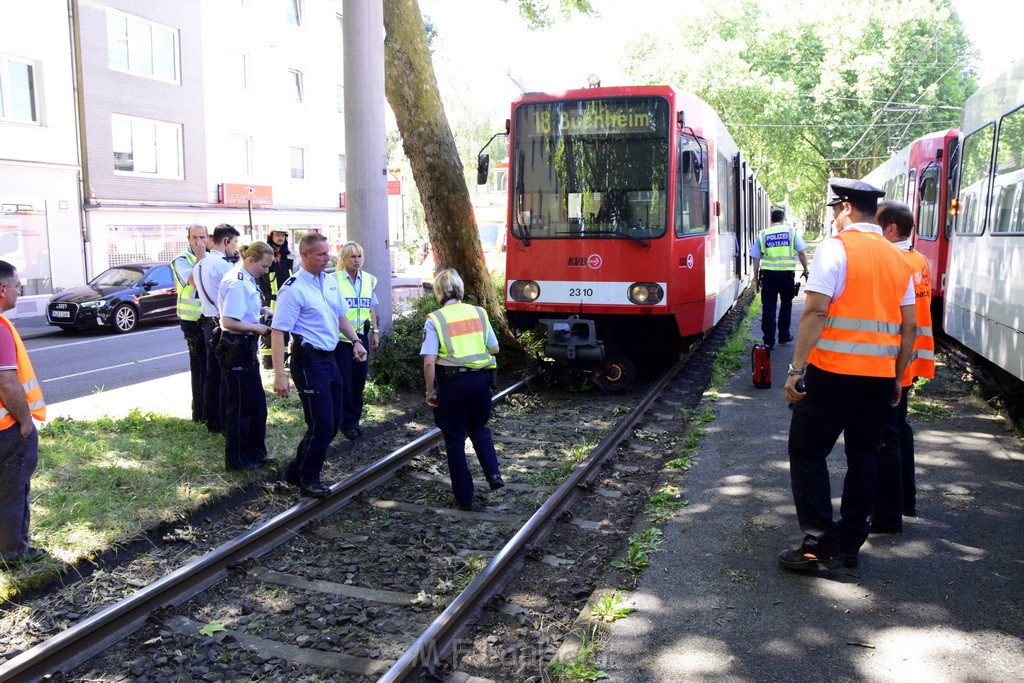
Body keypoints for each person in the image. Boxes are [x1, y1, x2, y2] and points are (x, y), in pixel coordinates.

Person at [779, 178, 916, 571]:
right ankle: (851, 544)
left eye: (836, 211)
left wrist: (796, 370)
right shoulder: (897, 258)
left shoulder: (835, 249)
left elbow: (817, 311)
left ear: (847, 209)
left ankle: (819, 543)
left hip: (833, 373)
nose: (836, 219)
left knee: (806, 451)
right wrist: (896, 376)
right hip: (878, 377)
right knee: (865, 457)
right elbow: (908, 327)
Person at [270, 233, 367, 498]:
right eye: (322, 254)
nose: (328, 258)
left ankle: (296, 470)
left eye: (328, 253)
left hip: (331, 357)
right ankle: (308, 478)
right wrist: (280, 375)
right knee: (322, 423)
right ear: (305, 255)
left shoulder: (329, 282)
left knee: (334, 422)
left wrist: (357, 341)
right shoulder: (293, 288)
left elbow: (340, 315)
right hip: (308, 362)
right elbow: (278, 333)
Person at [870, 200, 935, 531]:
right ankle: (905, 501)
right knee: (900, 432)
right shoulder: (919, 259)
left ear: (891, 229)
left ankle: (888, 514)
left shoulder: (896, 261)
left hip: (897, 361)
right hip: (912, 359)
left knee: (887, 437)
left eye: (877, 225)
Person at [420, 269, 504, 511]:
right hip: (480, 383)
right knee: (479, 428)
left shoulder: (435, 319)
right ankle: (494, 475)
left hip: (452, 385)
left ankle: (465, 499)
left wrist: (429, 392)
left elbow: (429, 361)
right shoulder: (479, 312)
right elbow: (495, 347)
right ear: (460, 289)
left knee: (455, 440)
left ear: (438, 291)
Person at [0, 261, 47, 565]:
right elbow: (7, 382)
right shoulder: (1, 329)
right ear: (2, 289)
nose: (20, 289)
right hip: (7, 429)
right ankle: (14, 551)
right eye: (17, 284)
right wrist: (26, 422)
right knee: (13, 490)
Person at [218, 242, 275, 472]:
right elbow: (229, 321)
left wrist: (261, 311)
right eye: (264, 265)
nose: (267, 271)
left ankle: (255, 453)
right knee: (241, 406)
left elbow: (242, 309)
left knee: (256, 404)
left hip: (245, 348)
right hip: (237, 348)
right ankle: (238, 459)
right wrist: (257, 327)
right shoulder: (238, 283)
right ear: (251, 260)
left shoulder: (246, 279)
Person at [194, 224, 240, 434]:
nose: (235, 247)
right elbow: (232, 297)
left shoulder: (201, 263)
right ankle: (223, 421)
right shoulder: (223, 266)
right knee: (224, 375)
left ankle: (211, 420)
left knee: (211, 374)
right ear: (226, 241)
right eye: (235, 242)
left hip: (207, 322)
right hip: (221, 324)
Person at [334, 242, 379, 439]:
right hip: (341, 339)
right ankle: (345, 422)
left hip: (361, 336)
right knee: (345, 381)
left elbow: (372, 307)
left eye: (359, 256)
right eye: (352, 257)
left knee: (359, 380)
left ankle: (354, 419)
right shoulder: (332, 280)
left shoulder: (369, 280)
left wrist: (375, 331)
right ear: (343, 259)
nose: (356, 260)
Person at [752, 208, 809, 349]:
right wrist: (806, 269)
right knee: (786, 305)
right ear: (783, 220)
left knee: (768, 308)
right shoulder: (791, 232)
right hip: (786, 276)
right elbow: (801, 252)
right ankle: (783, 336)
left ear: (771, 220)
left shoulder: (763, 234)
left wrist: (756, 279)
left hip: (769, 276)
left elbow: (756, 259)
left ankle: (768, 341)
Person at [170, 224, 209, 423]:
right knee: (200, 367)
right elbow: (196, 280)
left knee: (211, 368)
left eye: (202, 237)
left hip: (210, 319)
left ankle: (210, 411)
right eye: (195, 237)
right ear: (188, 239)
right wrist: (202, 256)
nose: (199, 242)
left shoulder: (211, 257)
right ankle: (200, 414)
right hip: (192, 322)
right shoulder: (181, 261)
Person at [258, 227, 294, 370]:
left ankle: (283, 364)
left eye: (283, 235)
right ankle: (268, 366)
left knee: (285, 335)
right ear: (271, 236)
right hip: (269, 303)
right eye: (277, 235)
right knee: (268, 335)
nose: (280, 238)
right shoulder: (265, 256)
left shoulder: (289, 258)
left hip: (286, 303)